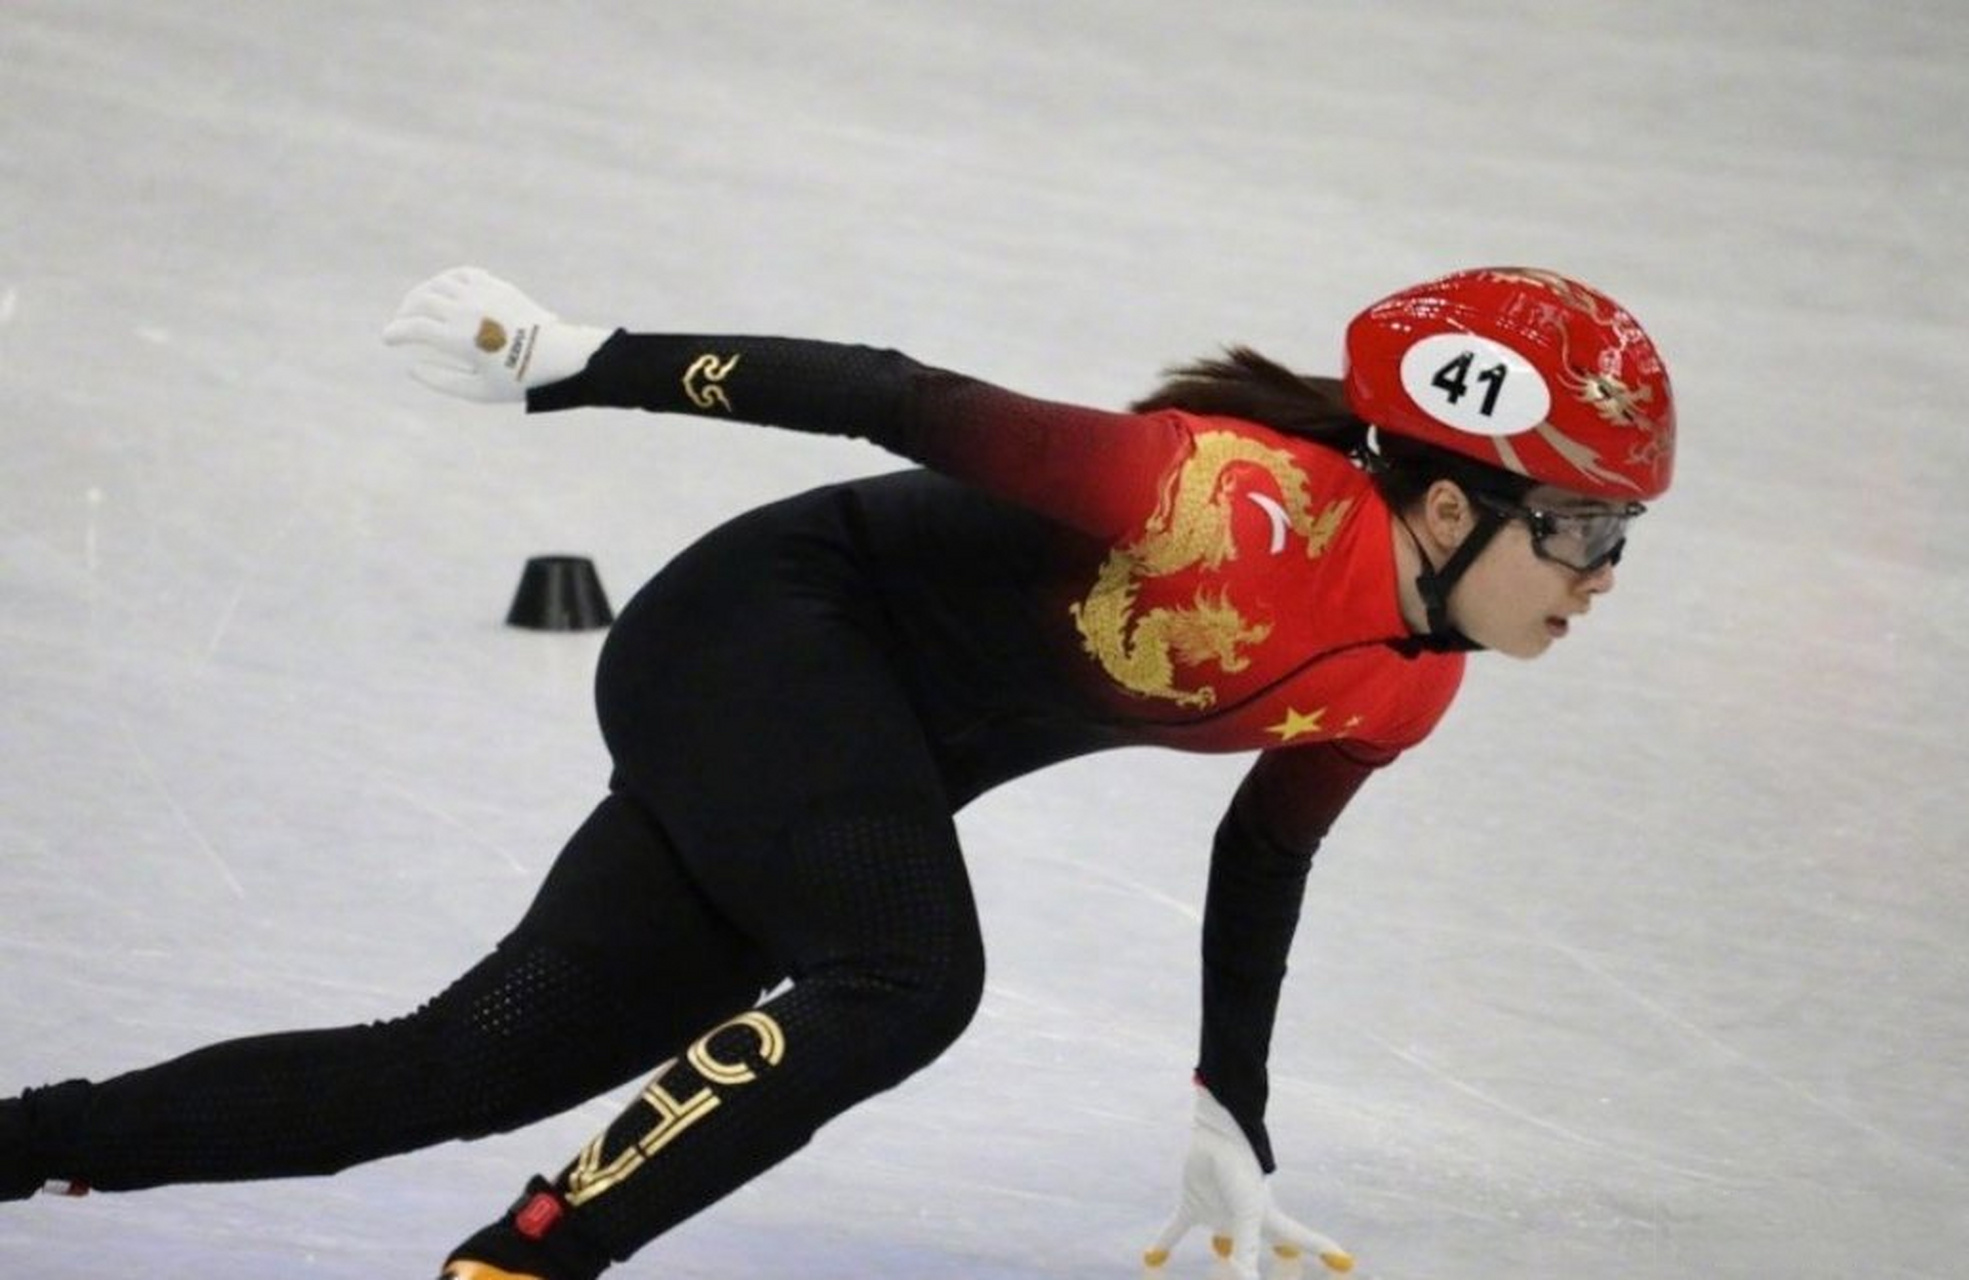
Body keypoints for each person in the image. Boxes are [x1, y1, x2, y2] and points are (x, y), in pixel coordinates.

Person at [0, 264, 1676, 1280]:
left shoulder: (1408, 691)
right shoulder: (1216, 497)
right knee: (904, 976)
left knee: (459, 1066)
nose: (1602, 577)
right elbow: (898, 398)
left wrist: (1226, 1104)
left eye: (1623, 539)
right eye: (1581, 529)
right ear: (1450, 505)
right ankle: (527, 1258)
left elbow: (1266, 864)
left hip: (845, 757)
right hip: (767, 631)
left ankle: (19, 1143)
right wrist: (575, 357)